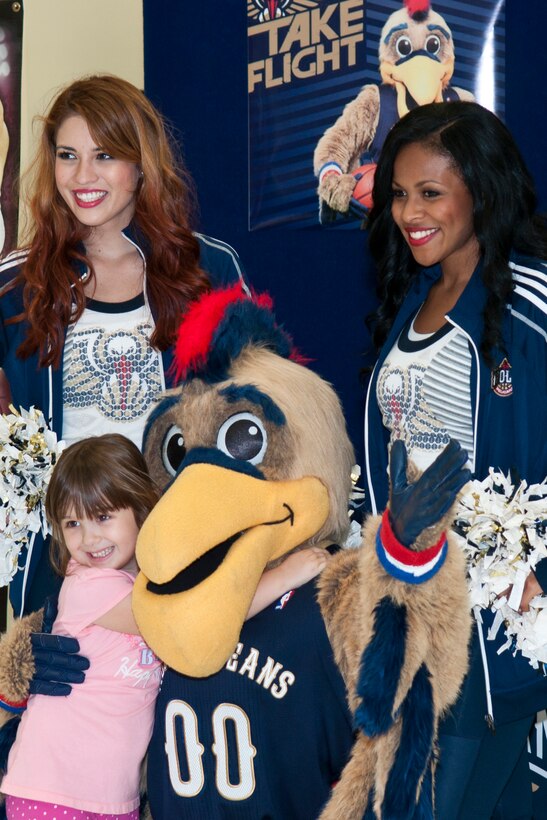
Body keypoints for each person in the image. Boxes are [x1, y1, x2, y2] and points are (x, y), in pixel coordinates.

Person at [0, 74, 249, 617]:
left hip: (187, 557)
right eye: (68, 155)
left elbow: (259, 414)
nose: (83, 176)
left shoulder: (207, 268)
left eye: (105, 155)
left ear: (141, 165)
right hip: (65, 570)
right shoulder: (17, 284)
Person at [363, 100, 547, 819]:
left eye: (430, 192)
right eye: (398, 194)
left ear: (483, 191)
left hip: (491, 642)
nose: (409, 213)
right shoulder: (411, 294)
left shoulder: (532, 299)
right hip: (412, 614)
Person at [0, 433, 331, 819]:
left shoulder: (139, 583)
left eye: (103, 517)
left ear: (141, 509)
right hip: (54, 789)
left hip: (111, 797)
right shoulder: (90, 586)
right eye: (72, 523)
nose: (89, 538)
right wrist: (284, 576)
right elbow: (192, 621)